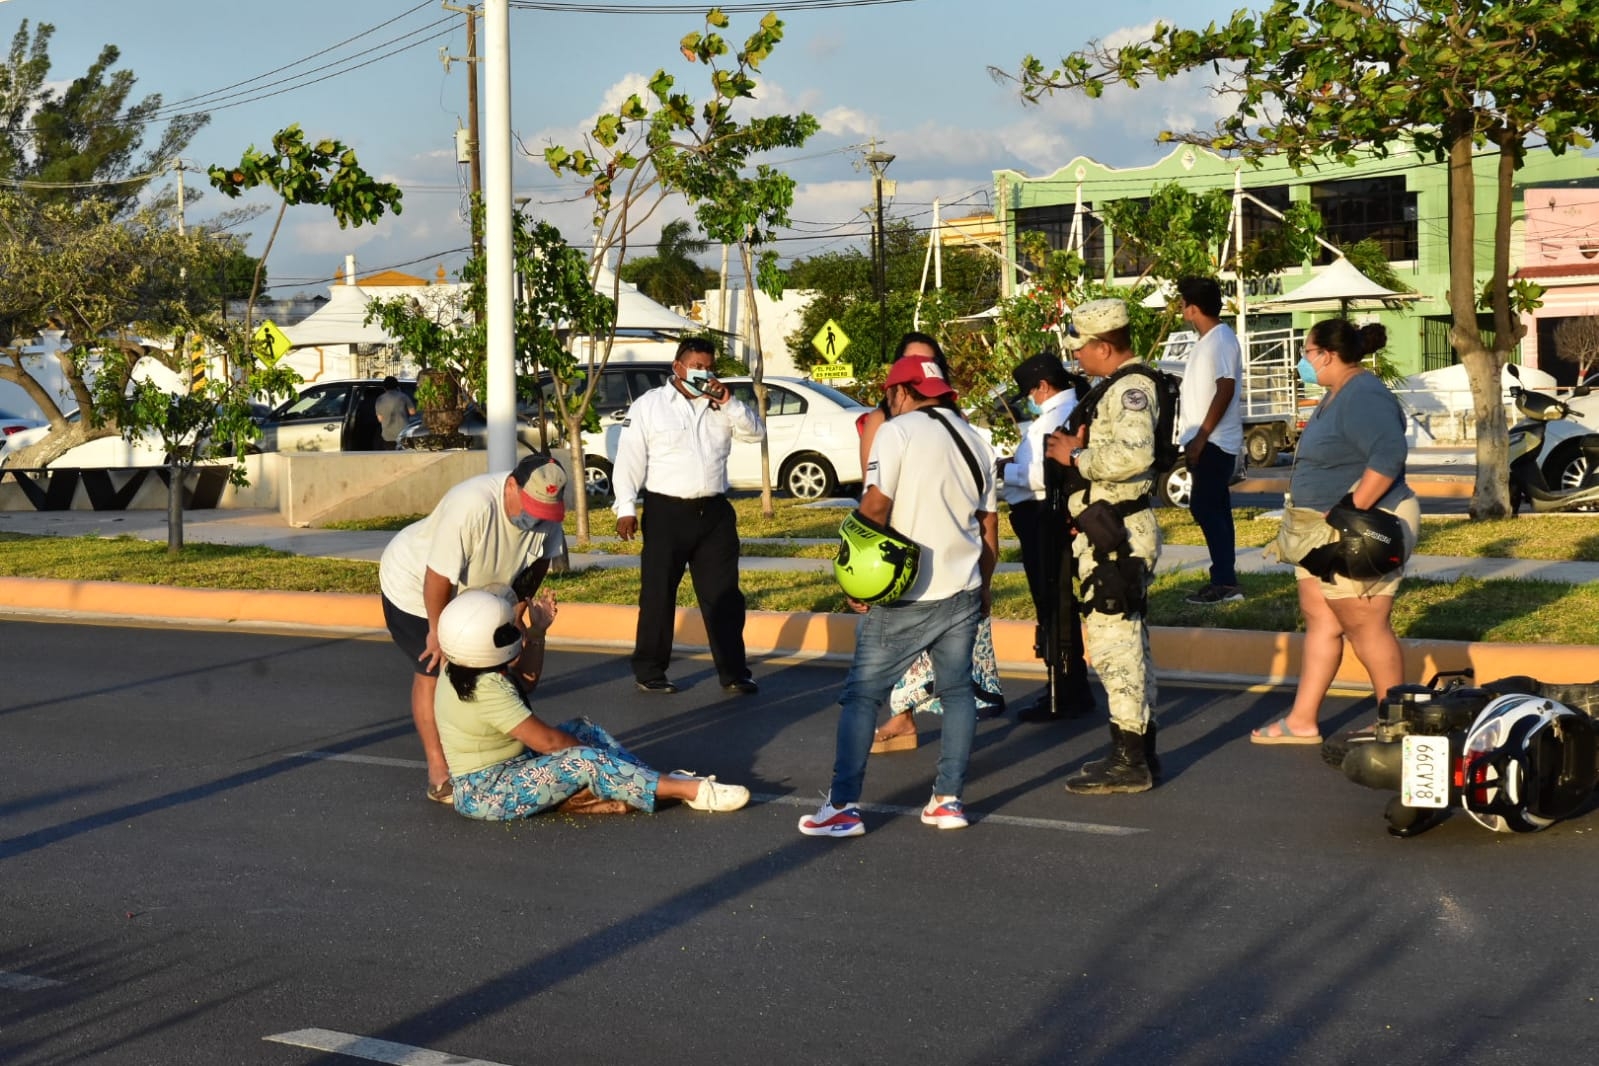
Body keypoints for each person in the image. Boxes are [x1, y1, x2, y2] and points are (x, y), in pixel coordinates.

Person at [799, 353, 999, 837]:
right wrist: (985, 587)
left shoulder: (897, 431)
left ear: (901, 392)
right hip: (964, 588)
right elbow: (988, 525)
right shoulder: (977, 441)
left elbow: (874, 506)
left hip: (904, 594)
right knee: (956, 695)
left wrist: (853, 576)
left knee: (862, 695)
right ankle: (948, 800)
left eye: (889, 395)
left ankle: (843, 807)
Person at [434, 586, 749, 818]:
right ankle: (690, 791)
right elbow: (549, 743)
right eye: (512, 627)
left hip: (512, 767)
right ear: (491, 643)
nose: (519, 627)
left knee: (584, 731)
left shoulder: (465, 666)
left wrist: (539, 630)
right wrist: (594, 760)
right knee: (582, 756)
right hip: (488, 791)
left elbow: (525, 681)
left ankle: (636, 783)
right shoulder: (485, 688)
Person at [1251, 319, 1418, 744]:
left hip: (1358, 527)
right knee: (1320, 618)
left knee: (1366, 626)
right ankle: (1303, 720)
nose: (1303, 361)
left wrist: (1352, 508)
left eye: (1306, 353)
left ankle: (1395, 725)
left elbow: (1389, 452)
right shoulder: (1335, 394)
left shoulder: (1363, 392)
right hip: (1317, 531)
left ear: (1326, 353)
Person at [379, 453, 569, 804]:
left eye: (546, 511)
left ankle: (492, 756)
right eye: (531, 506)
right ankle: (440, 773)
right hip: (415, 587)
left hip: (482, 593)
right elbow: (437, 577)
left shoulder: (548, 513)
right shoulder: (473, 506)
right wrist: (437, 632)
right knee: (435, 669)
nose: (537, 517)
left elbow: (536, 567)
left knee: (499, 669)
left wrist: (518, 614)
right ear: (511, 485)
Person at [855, 332, 1004, 755]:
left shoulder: (961, 432)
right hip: (912, 559)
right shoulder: (886, 425)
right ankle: (936, 767)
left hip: (931, 570)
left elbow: (874, 506)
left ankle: (849, 789)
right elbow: (875, 492)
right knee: (937, 673)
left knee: (869, 679)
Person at [1043, 298, 1162, 794]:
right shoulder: (1113, 387)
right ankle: (1134, 750)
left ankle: (1130, 760)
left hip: (1119, 538)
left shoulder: (1131, 388)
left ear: (1104, 346)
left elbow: (1136, 456)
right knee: (1128, 642)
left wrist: (1078, 457)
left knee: (1116, 648)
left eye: (1081, 348)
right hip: (1108, 531)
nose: (1076, 357)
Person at [612, 337, 765, 695]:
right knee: (658, 594)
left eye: (708, 366)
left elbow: (756, 433)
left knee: (724, 596)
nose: (703, 372)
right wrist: (625, 507)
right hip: (667, 511)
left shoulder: (720, 405)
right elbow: (630, 458)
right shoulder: (650, 406)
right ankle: (650, 670)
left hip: (713, 513)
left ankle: (734, 672)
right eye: (696, 365)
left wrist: (727, 402)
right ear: (677, 367)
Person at [999, 351, 1095, 723]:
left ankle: (1066, 687)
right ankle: (1067, 682)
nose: (1029, 400)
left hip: (1045, 517)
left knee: (1055, 605)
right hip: (1040, 517)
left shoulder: (1058, 417)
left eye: (1030, 392)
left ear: (1043, 386)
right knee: (1053, 605)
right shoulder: (1056, 414)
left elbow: (1044, 475)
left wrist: (1007, 471)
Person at [1174, 277, 1246, 604]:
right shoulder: (1207, 341)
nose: (1179, 309)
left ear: (1193, 308)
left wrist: (1202, 437)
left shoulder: (1221, 339)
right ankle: (1224, 579)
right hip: (1204, 441)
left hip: (1215, 442)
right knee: (1213, 509)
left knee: (1207, 508)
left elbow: (1226, 388)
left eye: (1182, 303)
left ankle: (1225, 582)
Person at [374, 375, 416, 450]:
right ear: (397, 386)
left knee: (390, 458)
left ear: (384, 387)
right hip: (403, 435)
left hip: (388, 436)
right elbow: (412, 412)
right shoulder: (404, 396)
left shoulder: (379, 399)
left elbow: (380, 419)